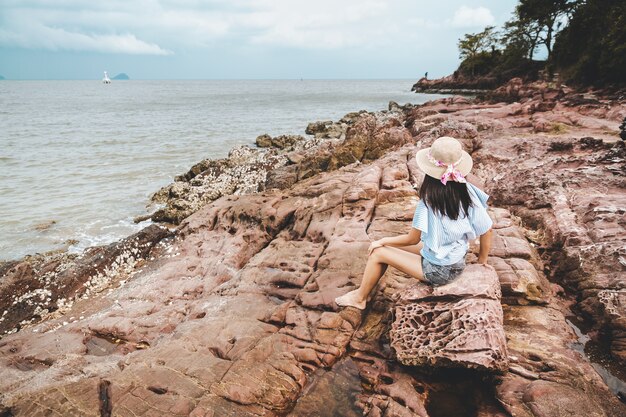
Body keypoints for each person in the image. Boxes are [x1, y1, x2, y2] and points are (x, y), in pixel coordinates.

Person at [335, 136, 494, 310]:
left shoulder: (427, 202)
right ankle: (366, 288)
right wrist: (482, 261)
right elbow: (487, 229)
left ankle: (359, 299)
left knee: (378, 252)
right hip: (457, 260)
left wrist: (382, 241)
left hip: (439, 271)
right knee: (387, 247)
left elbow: (411, 239)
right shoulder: (468, 192)